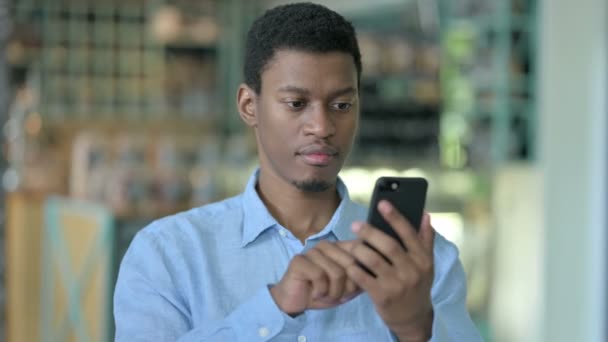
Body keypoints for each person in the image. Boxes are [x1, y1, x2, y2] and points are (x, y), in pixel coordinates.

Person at [114, 3, 482, 341]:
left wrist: (414, 327)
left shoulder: (424, 262)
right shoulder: (168, 254)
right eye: (296, 103)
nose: (321, 126)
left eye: (341, 104)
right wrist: (272, 308)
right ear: (248, 106)